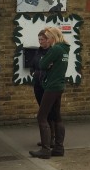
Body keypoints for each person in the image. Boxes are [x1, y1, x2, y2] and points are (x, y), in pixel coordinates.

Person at [29, 26, 69, 159]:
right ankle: (59, 148)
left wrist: (46, 63)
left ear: (53, 37)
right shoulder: (64, 49)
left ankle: (45, 150)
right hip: (59, 85)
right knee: (57, 116)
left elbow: (42, 64)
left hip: (51, 86)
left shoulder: (56, 49)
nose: (47, 40)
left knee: (42, 117)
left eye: (48, 37)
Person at [27, 30, 55, 149]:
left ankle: (51, 140)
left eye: (42, 39)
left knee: (49, 112)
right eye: (39, 40)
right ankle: (45, 139)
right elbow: (33, 64)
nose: (41, 42)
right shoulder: (38, 52)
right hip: (37, 84)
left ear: (48, 40)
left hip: (47, 85)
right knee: (43, 111)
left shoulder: (52, 52)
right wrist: (33, 72)